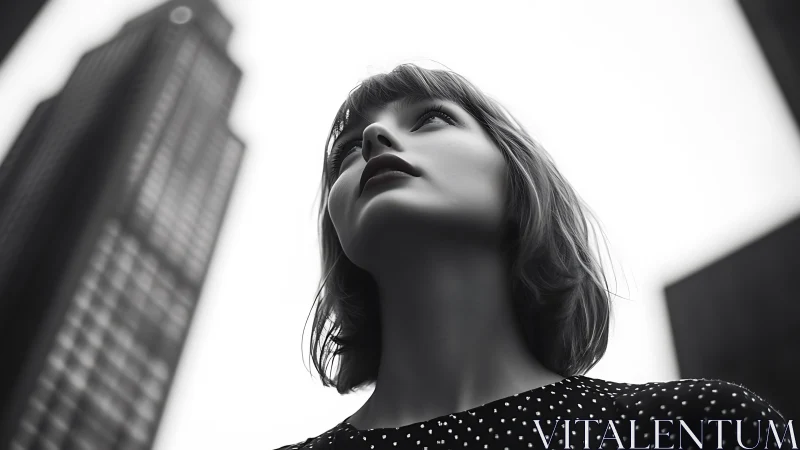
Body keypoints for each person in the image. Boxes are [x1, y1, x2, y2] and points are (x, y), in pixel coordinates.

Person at [274, 64, 789, 450]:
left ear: (515, 171)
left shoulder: (693, 427)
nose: (371, 139)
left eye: (430, 118)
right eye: (345, 153)